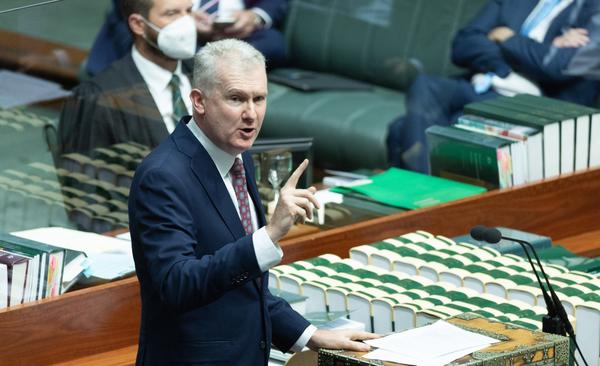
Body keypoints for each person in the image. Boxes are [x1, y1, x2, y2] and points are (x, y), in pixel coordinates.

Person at [128, 39, 378, 365]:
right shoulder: (162, 177)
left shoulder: (238, 158)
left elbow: (245, 288)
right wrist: (269, 236)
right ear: (199, 101)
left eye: (259, 99)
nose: (251, 114)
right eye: (236, 99)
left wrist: (309, 335)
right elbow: (178, 284)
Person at [387, 0, 600, 173]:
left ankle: (423, 205)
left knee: (403, 129)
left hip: (534, 107)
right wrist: (538, 49)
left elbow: (559, 67)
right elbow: (463, 44)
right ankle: (429, 202)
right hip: (482, 85)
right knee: (425, 85)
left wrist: (505, 36)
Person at [58, 0, 196, 156]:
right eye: (171, 14)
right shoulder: (98, 98)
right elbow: (86, 174)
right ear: (138, 24)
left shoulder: (204, 74)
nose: (186, 23)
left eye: (189, 11)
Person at [85, 0, 288, 76]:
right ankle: (199, 64)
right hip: (164, 20)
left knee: (274, 43)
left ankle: (200, 63)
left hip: (231, 32)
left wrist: (254, 17)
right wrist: (181, 15)